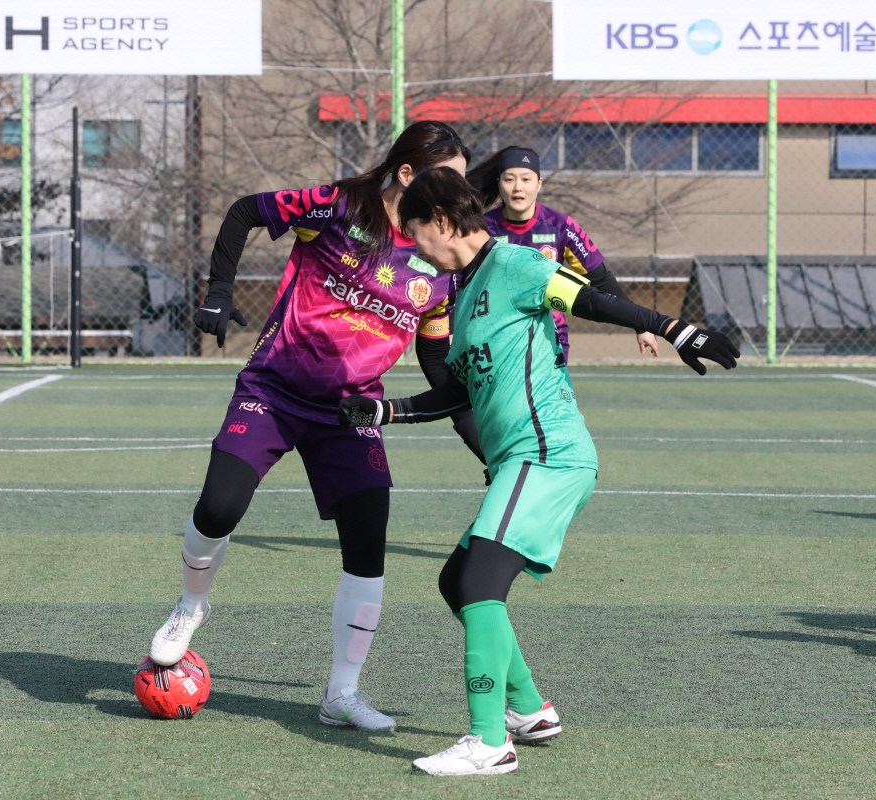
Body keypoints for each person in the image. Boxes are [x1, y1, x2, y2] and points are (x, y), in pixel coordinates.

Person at [338, 167, 738, 775]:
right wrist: (385, 410)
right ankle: (527, 711)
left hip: (547, 455)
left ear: (442, 220)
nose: (412, 244)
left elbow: (592, 300)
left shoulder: (514, 265)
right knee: (457, 583)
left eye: (415, 230)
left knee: (478, 587)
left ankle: (488, 742)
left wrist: (675, 328)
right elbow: (462, 393)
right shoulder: (465, 293)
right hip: (522, 461)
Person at [147, 121, 477, 732]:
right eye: (447, 180)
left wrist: (476, 435)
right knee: (219, 506)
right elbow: (247, 210)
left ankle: (341, 695)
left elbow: (437, 358)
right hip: (273, 389)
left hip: (351, 411)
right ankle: (190, 607)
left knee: (368, 544)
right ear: (408, 175)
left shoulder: (440, 261)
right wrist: (219, 292)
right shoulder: (339, 206)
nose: (459, 195)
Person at [467, 146, 658, 363]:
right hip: (495, 337)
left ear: (539, 183)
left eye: (526, 179)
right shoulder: (481, 229)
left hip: (549, 338)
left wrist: (639, 324)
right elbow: (462, 283)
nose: (518, 187)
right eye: (509, 179)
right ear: (499, 183)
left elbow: (600, 279)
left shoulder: (561, 226)